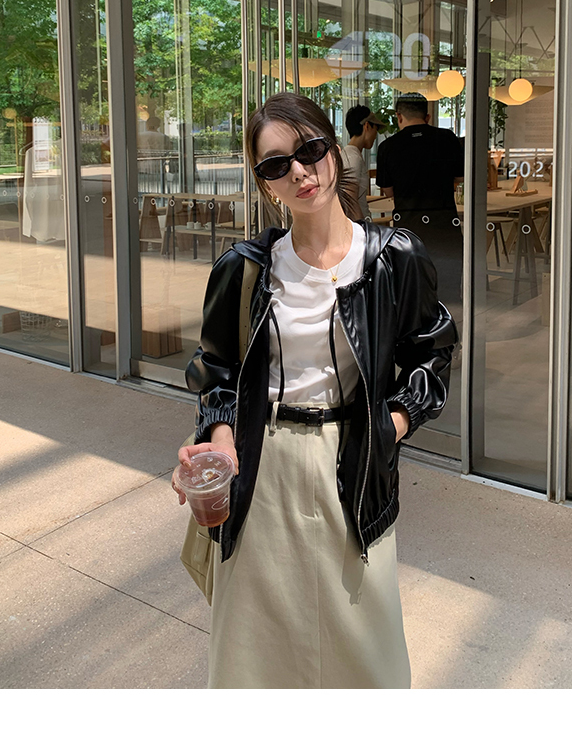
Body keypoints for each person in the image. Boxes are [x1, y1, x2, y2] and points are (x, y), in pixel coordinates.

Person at [172, 91, 456, 688]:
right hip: (261, 465)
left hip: (354, 462)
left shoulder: (392, 259)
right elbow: (217, 370)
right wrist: (220, 442)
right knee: (257, 656)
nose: (299, 172)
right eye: (277, 164)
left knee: (366, 652)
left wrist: (392, 425)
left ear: (333, 149)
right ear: (265, 182)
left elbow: (431, 354)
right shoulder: (245, 268)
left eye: (309, 150)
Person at [376, 92, 464, 317]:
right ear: (428, 116)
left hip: (408, 231)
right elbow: (460, 178)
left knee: (410, 294)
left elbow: (388, 190)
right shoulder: (447, 139)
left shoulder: (388, 147)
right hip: (445, 225)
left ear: (399, 116)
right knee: (449, 294)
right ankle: (450, 336)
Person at [341, 104, 385, 221]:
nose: (375, 136)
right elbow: (350, 199)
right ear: (367, 126)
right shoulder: (353, 157)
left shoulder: (351, 154)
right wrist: (362, 228)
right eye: (375, 129)